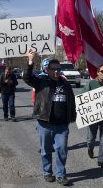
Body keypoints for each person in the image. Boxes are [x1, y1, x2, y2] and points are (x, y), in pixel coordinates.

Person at [23, 49, 76, 186]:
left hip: (62, 125)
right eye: (53, 69)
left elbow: (72, 101)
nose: (56, 72)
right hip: (45, 123)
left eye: (58, 69)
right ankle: (47, 172)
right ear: (48, 70)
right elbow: (27, 78)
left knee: (62, 150)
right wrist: (30, 61)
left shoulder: (66, 85)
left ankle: (61, 175)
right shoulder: (41, 82)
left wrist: (72, 116)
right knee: (46, 150)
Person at [82, 65, 103, 169]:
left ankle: (101, 160)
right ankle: (90, 149)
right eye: (102, 71)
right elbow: (82, 98)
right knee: (91, 139)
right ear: (97, 73)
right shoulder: (91, 83)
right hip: (92, 116)